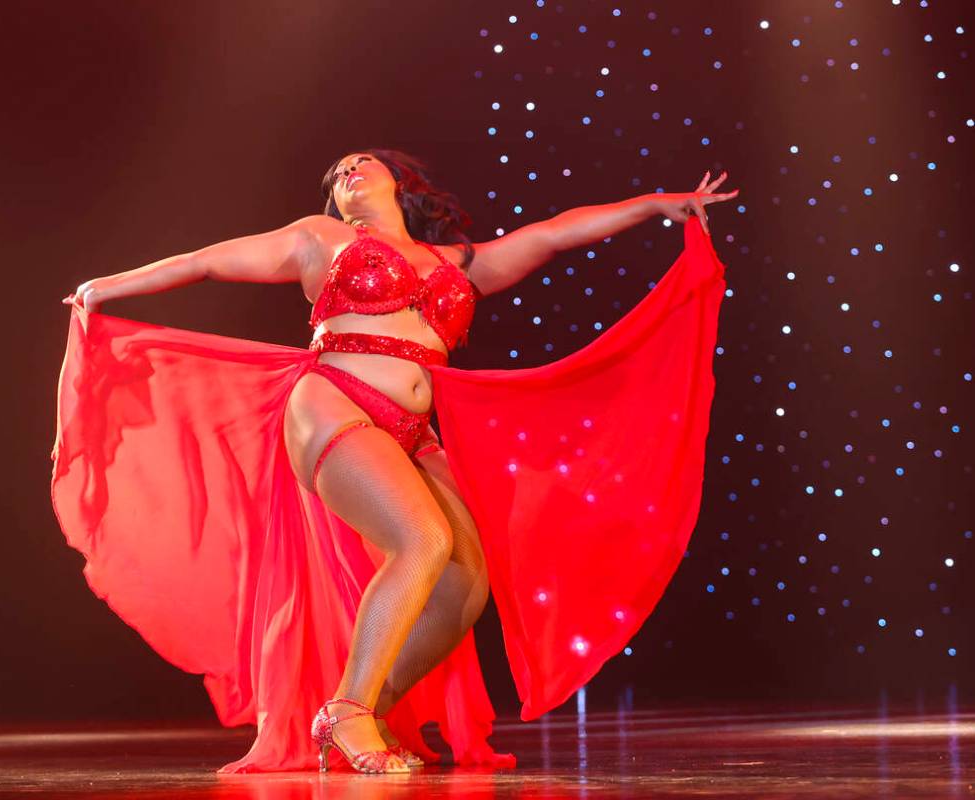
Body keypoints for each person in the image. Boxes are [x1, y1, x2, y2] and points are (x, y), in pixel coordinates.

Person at [52, 148, 737, 773]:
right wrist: (105, 287)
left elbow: (556, 231)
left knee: (463, 588)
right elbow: (206, 259)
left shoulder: (459, 263)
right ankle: (345, 711)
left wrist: (654, 206)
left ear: (399, 183)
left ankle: (369, 709)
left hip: (414, 428)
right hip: (332, 401)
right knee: (421, 540)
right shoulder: (320, 239)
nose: (346, 171)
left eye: (360, 163)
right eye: (336, 174)